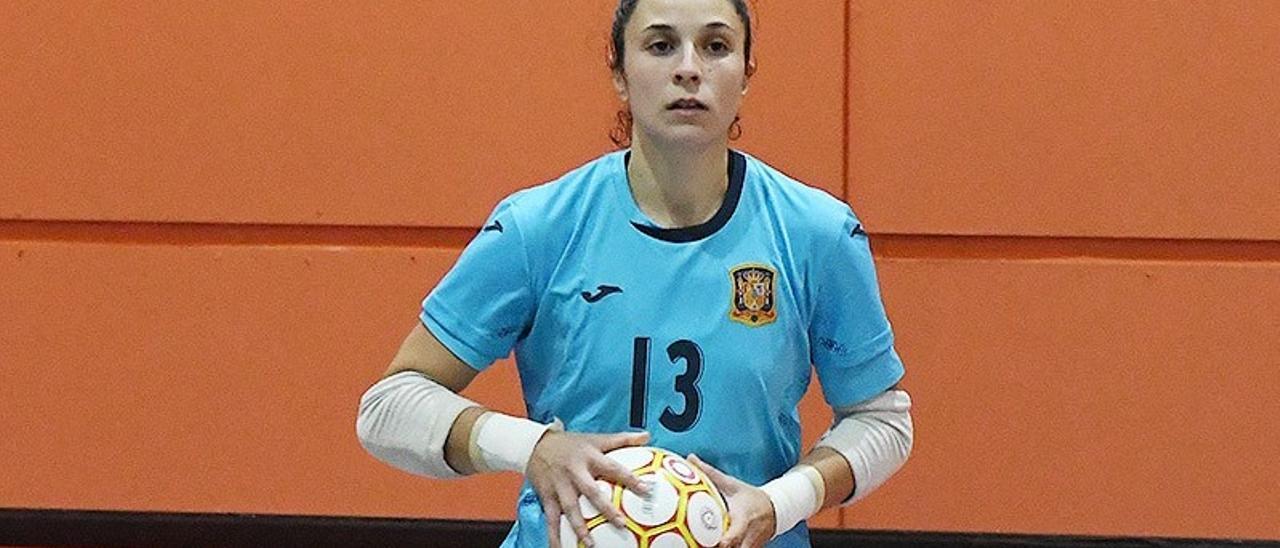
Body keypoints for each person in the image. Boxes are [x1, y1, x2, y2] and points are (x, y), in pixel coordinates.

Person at [356, 0, 914, 546]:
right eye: (661, 45)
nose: (689, 68)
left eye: (716, 46)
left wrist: (781, 502)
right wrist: (532, 448)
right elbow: (388, 408)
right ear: (620, 74)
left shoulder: (815, 232)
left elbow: (882, 422)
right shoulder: (540, 227)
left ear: (746, 75)